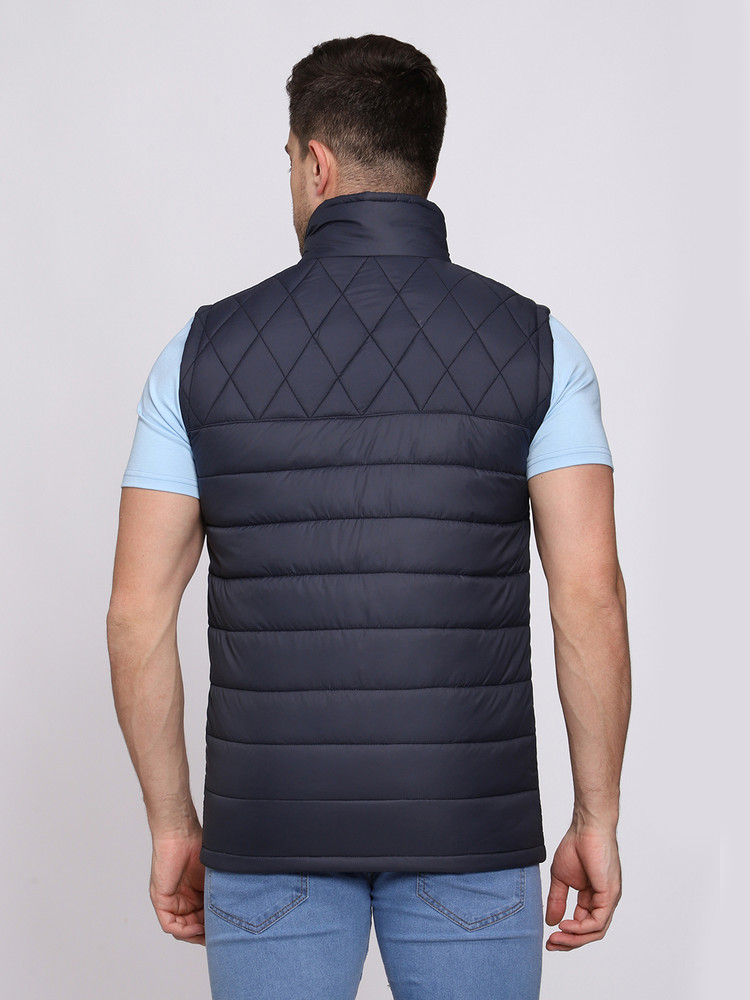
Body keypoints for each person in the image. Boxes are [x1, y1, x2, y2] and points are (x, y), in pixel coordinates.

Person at [107, 33, 631, 1000]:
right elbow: (588, 596)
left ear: (317, 163)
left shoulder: (198, 352)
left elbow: (137, 614)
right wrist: (596, 817)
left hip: (270, 834)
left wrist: (174, 824)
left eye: (289, 161)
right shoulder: (540, 346)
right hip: (471, 830)